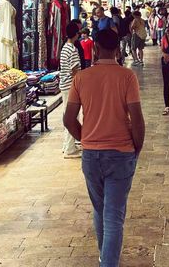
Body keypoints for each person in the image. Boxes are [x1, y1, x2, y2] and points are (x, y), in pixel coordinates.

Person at [64, 29, 145, 267]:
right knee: (113, 216)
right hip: (120, 153)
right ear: (118, 50)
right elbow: (137, 119)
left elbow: (69, 119)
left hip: (91, 156)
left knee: (100, 210)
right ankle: (107, 262)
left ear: (96, 49)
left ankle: (104, 256)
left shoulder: (81, 78)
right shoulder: (127, 77)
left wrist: (86, 139)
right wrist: (136, 148)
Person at [59, 21, 82, 158]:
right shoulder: (72, 49)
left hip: (65, 85)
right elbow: (75, 71)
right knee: (72, 117)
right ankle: (69, 148)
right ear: (76, 34)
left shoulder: (65, 47)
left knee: (67, 115)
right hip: (70, 86)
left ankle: (67, 144)